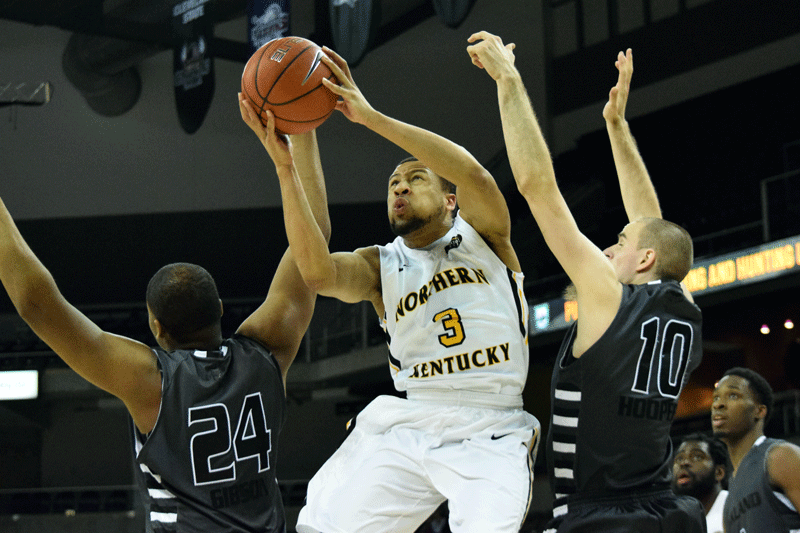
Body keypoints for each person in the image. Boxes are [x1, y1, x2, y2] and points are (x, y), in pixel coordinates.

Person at [0, 94, 331, 532]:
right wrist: (302, 125)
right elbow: (314, 241)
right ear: (218, 309)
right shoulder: (267, 350)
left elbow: (37, 305)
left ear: (156, 327)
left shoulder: (151, 383)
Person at [265, 46, 540, 533]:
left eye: (416, 178)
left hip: (492, 424)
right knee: (321, 525)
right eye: (393, 182)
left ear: (451, 199)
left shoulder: (485, 236)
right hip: (414, 416)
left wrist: (368, 118)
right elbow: (315, 272)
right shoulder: (380, 264)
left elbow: (475, 173)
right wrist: (289, 163)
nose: (400, 188)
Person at [467, 32, 705, 532]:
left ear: (643, 259)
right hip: (670, 511)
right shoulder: (682, 302)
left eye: (619, 240)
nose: (608, 248)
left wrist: (508, 81)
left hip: (600, 516)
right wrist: (616, 127)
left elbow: (537, 187)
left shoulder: (608, 298)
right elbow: (652, 222)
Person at [712, 367, 800, 532]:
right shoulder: (729, 500)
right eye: (715, 397)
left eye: (733, 395)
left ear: (759, 411)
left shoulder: (780, 456)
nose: (718, 404)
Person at [672, 432, 729, 533]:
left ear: (719, 472)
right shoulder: (674, 521)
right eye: (679, 458)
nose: (684, 463)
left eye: (697, 457)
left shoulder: (733, 505)